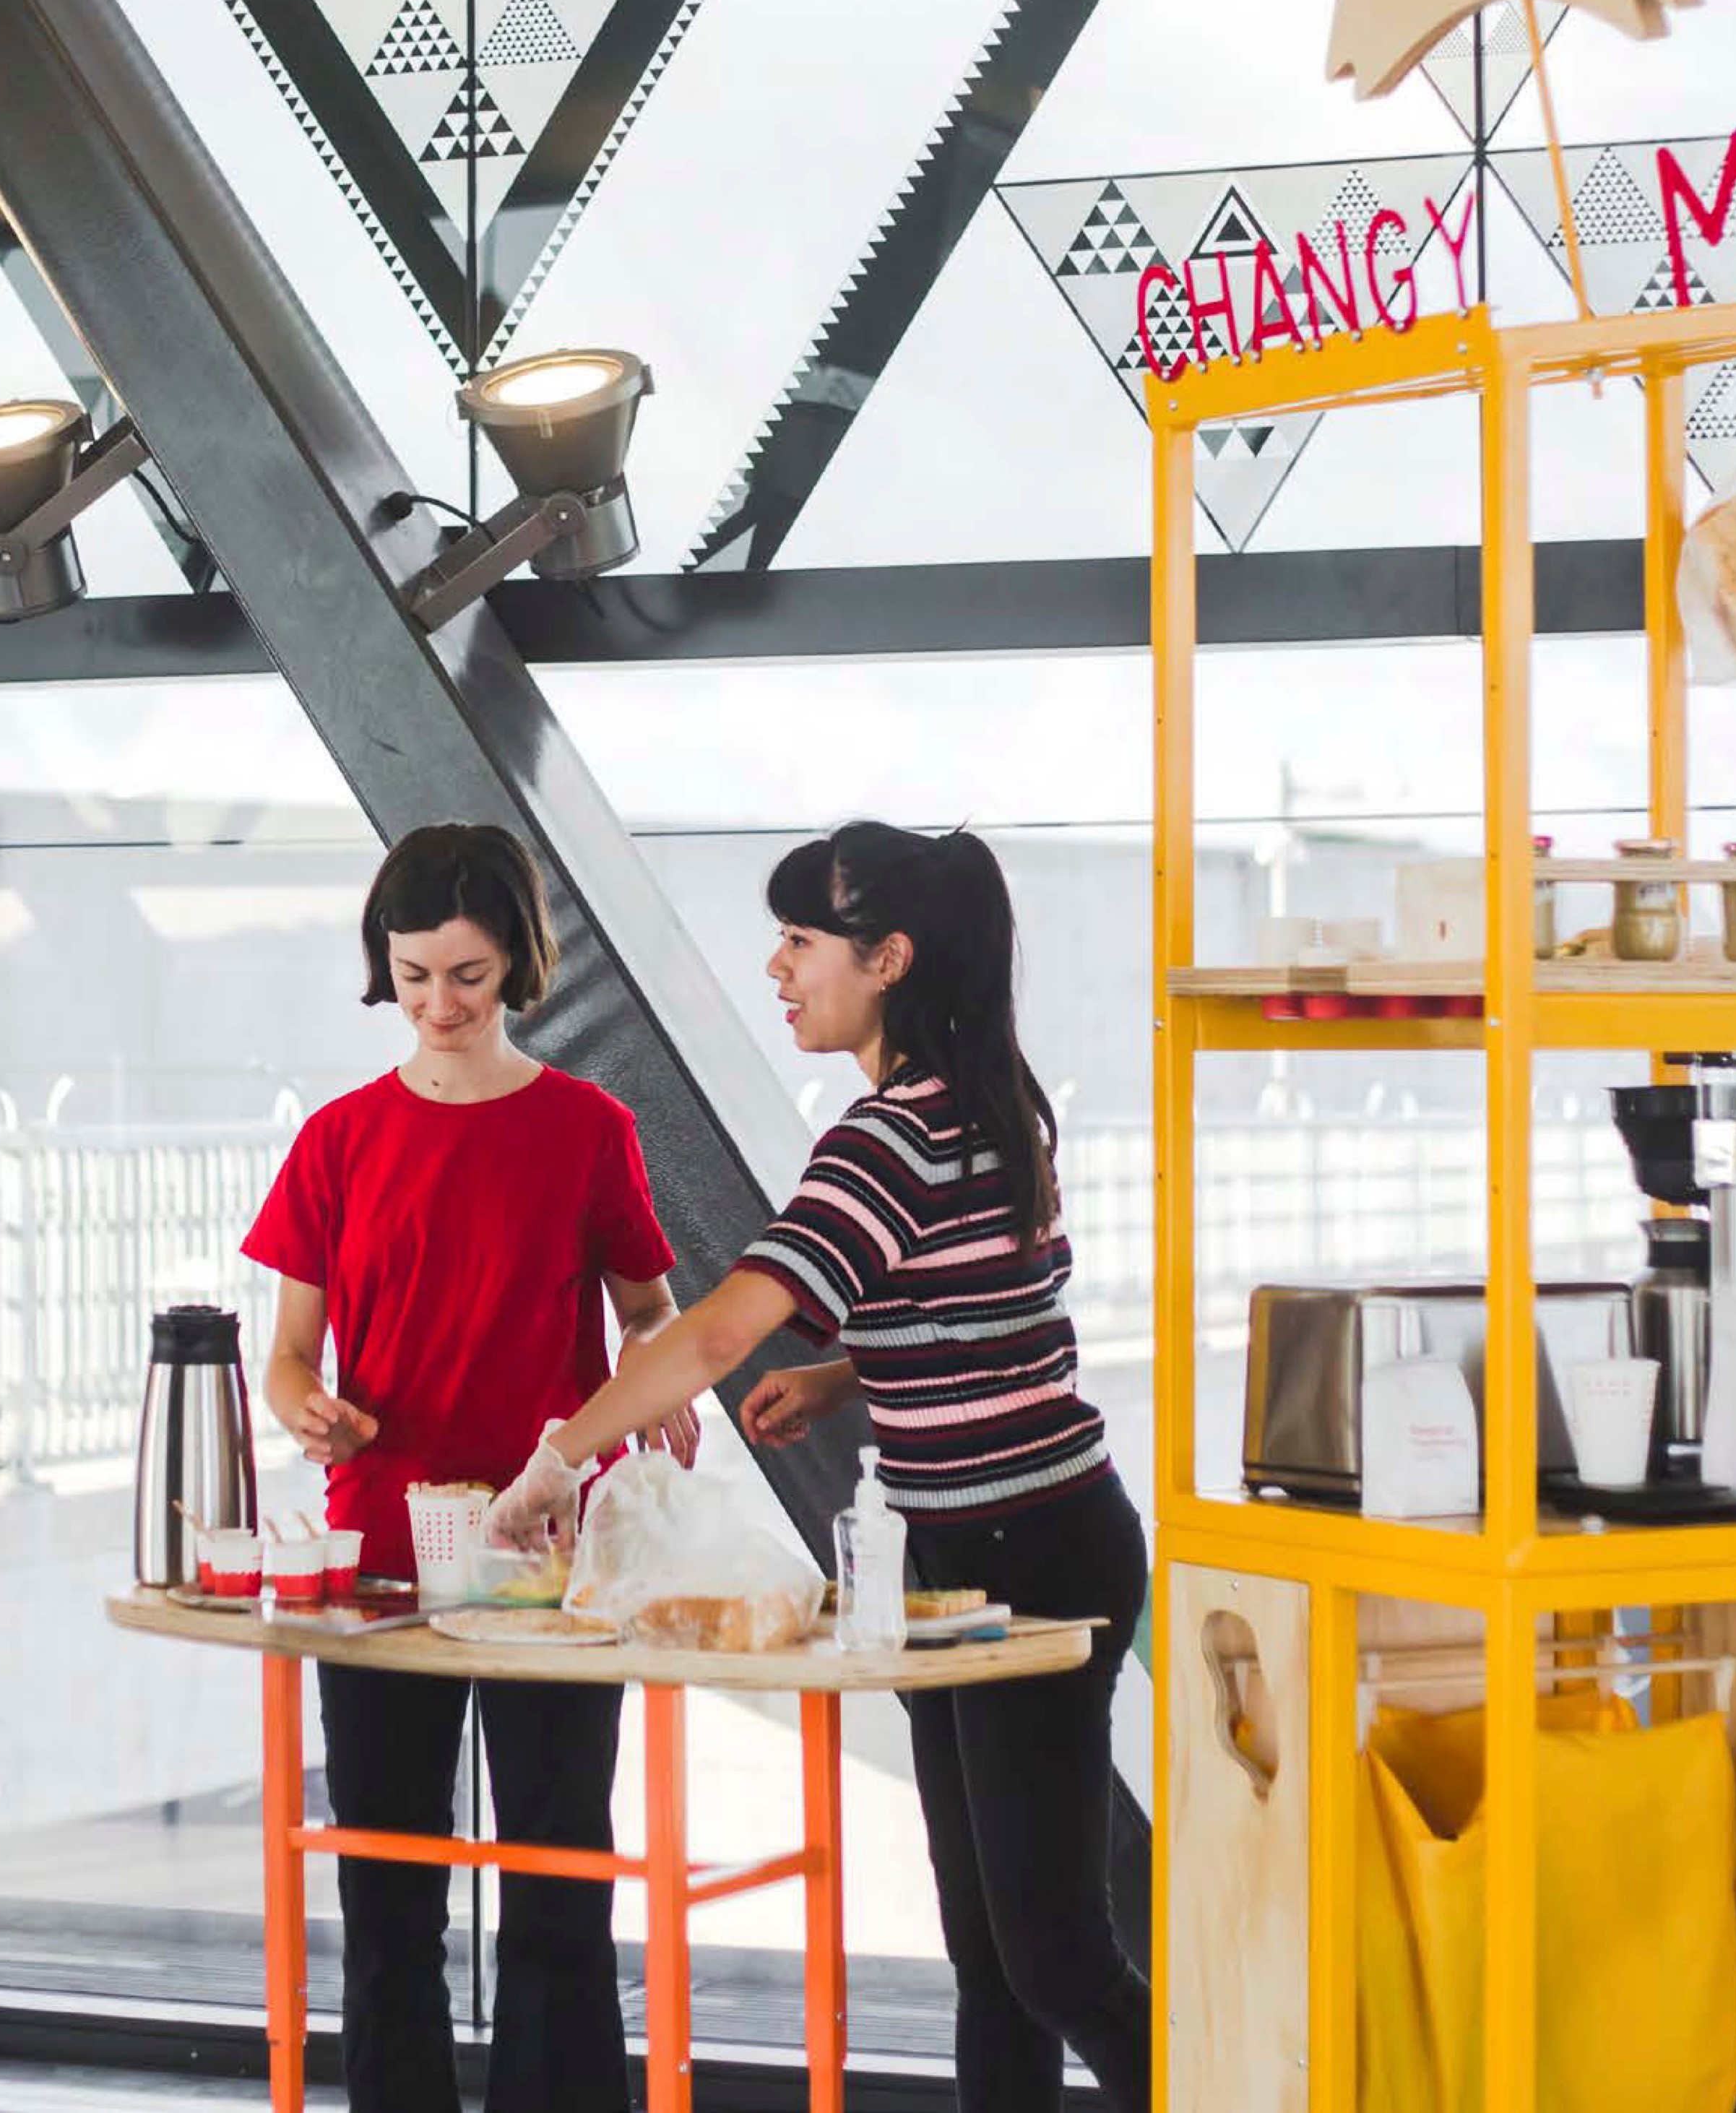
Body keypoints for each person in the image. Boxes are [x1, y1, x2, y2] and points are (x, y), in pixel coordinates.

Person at [488, 820, 1146, 2113]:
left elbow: (722, 1323)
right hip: (998, 1539)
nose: (776, 966)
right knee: (993, 1958)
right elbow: (984, 1310)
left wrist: (562, 1452)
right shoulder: (983, 1101)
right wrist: (851, 1372)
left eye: (801, 939)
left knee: (1052, 1955)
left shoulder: (885, 1137)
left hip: (1023, 1548)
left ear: (889, 958)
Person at [242, 824, 688, 2113]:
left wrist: (644, 1406)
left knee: (558, 1881)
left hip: (549, 1561)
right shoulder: (337, 1138)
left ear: (518, 969)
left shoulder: (588, 1127)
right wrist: (309, 1410)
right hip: (375, 1555)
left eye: (468, 976)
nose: (439, 1003)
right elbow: (283, 1357)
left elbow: (651, 1315)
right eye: (415, 972)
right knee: (386, 1895)